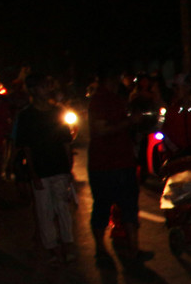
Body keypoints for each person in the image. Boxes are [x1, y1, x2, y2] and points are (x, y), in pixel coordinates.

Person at [86, 68, 149, 266]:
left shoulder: (117, 99)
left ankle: (133, 249)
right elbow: (101, 129)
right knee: (103, 207)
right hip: (104, 164)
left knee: (128, 206)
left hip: (122, 161)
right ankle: (101, 249)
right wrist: (129, 122)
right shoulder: (99, 100)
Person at [11, 73, 76, 265]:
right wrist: (32, 172)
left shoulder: (57, 111)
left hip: (59, 168)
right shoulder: (26, 116)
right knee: (44, 211)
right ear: (32, 90)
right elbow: (26, 147)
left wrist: (69, 167)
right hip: (40, 170)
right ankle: (53, 248)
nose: (46, 89)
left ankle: (68, 244)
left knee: (63, 208)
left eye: (47, 86)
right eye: (42, 86)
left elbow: (66, 141)